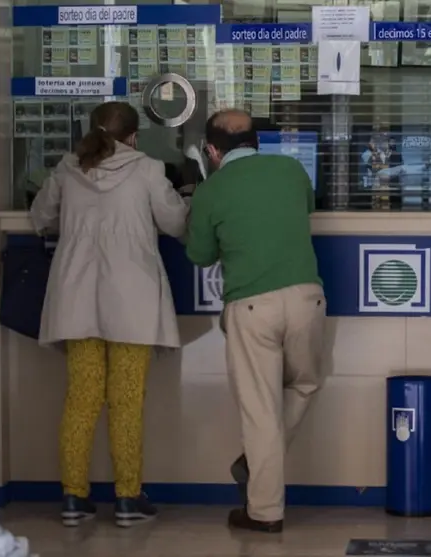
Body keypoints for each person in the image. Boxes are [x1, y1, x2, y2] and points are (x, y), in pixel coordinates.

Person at [29, 101, 190, 528]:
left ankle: (73, 499)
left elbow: (39, 217)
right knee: (126, 402)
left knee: (81, 399)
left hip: (77, 297)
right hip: (132, 300)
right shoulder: (148, 169)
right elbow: (175, 223)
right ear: (133, 136)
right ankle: (127, 498)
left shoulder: (67, 169)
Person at [186, 109, 327, 533]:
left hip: (251, 307)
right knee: (303, 384)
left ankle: (264, 510)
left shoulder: (213, 190)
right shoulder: (290, 169)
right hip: (307, 298)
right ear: (256, 141)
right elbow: (307, 207)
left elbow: (199, 255)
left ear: (211, 150)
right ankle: (258, 461)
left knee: (261, 413)